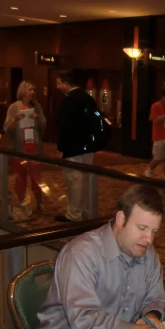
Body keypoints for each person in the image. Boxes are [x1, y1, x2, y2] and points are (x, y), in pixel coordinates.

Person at [32, 184, 165, 329]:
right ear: (121, 219)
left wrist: (151, 317)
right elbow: (84, 319)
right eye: (142, 228)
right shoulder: (81, 253)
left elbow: (157, 299)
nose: (148, 239)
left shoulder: (147, 253)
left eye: (154, 231)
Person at [54, 70, 97, 222]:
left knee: (74, 180)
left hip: (73, 147)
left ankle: (74, 213)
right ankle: (85, 209)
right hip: (88, 147)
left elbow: (65, 126)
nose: (58, 86)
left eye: (59, 83)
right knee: (85, 178)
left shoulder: (69, 100)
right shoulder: (87, 97)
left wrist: (61, 148)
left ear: (66, 84)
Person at [3, 81, 47, 211]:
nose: (32, 92)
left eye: (33, 89)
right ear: (22, 91)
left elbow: (44, 125)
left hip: (34, 146)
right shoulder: (14, 107)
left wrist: (37, 118)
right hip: (19, 147)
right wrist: (16, 119)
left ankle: (39, 203)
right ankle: (22, 202)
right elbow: (7, 129)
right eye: (30, 89)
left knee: (36, 178)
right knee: (20, 177)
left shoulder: (36, 106)